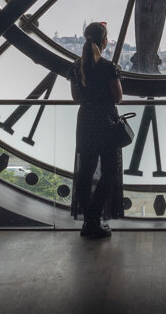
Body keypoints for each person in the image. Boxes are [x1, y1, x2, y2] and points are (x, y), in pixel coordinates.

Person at [68, 21, 124, 238]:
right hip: (106, 121)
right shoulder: (109, 67)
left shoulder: (75, 67)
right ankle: (94, 217)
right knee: (109, 171)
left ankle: (89, 221)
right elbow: (117, 97)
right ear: (104, 42)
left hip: (86, 121)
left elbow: (76, 98)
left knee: (86, 171)